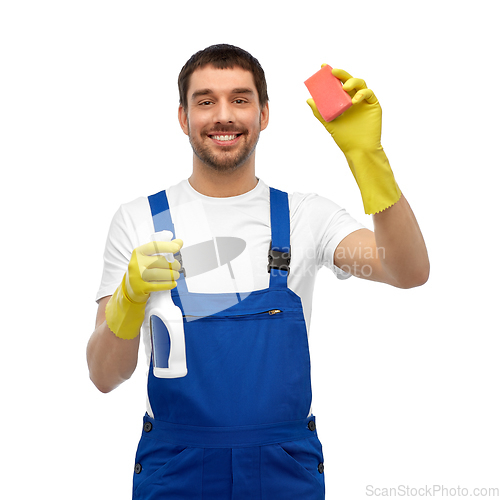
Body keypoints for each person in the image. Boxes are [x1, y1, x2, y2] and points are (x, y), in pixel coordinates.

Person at [87, 44, 429, 499]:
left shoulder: (307, 215)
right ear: (183, 118)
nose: (223, 115)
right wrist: (128, 300)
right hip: (175, 471)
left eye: (241, 99)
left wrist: (369, 159)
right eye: (205, 101)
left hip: (284, 468)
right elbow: (103, 376)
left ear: (264, 114)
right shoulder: (137, 220)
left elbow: (405, 270)